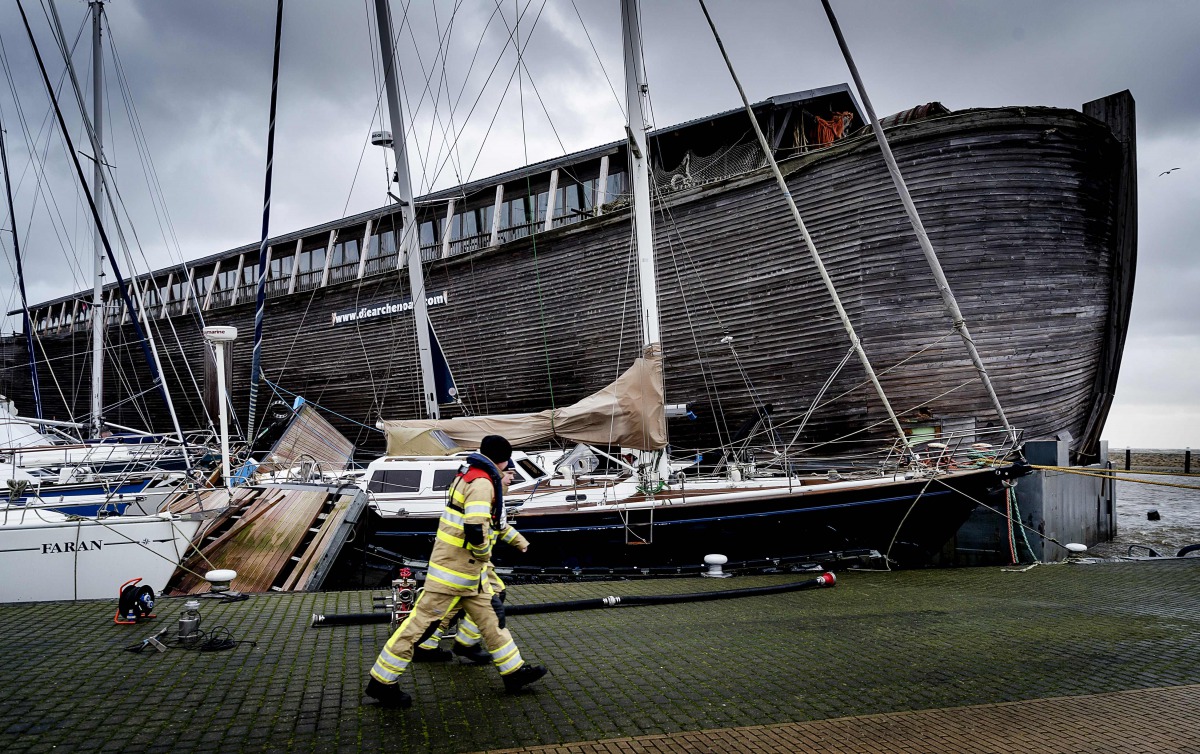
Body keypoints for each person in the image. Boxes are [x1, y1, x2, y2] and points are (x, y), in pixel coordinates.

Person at [365, 435, 547, 708]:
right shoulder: (483, 482)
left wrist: (510, 545)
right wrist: (484, 554)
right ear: (505, 460)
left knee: (492, 621)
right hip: (456, 572)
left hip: (467, 573)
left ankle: (513, 672)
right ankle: (381, 682)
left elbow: (484, 523)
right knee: (418, 628)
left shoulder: (468, 475)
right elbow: (476, 527)